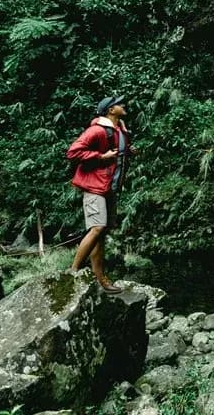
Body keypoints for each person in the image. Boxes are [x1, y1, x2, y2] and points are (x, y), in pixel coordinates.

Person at [67, 95, 135, 291]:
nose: (123, 105)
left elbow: (118, 152)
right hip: (94, 187)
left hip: (109, 188)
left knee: (101, 232)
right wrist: (101, 156)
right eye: (119, 104)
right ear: (110, 110)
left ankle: (100, 278)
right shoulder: (97, 130)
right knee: (97, 228)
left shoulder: (119, 130)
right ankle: (72, 272)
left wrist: (129, 151)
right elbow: (73, 152)